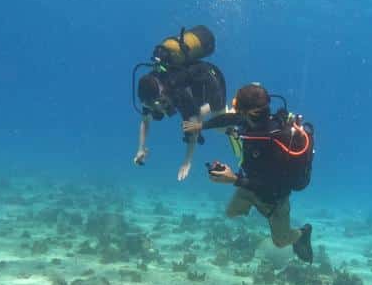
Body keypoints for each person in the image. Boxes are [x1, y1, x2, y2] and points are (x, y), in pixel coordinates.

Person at [183, 83, 314, 263]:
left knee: (281, 242)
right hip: (250, 184)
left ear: (247, 112)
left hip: (275, 198)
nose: (236, 112)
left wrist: (234, 179)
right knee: (231, 212)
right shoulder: (251, 120)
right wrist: (201, 126)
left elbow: (272, 186)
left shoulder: (277, 140)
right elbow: (228, 119)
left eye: (238, 108)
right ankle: (258, 209)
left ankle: (303, 233)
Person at [133, 26, 227, 181]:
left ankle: (235, 109)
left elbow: (192, 128)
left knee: (220, 127)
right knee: (197, 115)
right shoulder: (149, 89)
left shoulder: (178, 92)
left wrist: (187, 162)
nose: (155, 109)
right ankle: (205, 110)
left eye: (156, 105)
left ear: (161, 95)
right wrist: (140, 149)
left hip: (212, 79)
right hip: (195, 86)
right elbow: (145, 120)